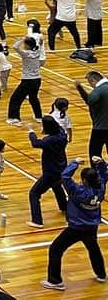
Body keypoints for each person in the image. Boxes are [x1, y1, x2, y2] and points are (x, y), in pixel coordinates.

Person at [42, 155, 107, 290]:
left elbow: (65, 176)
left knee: (55, 249)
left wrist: (74, 163)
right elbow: (104, 174)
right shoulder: (100, 188)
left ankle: (55, 281)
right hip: (92, 226)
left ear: (83, 180)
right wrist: (100, 163)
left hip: (76, 227)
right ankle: (101, 274)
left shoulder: (77, 191)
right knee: (93, 249)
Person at [28, 114, 69, 228]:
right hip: (62, 168)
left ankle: (37, 220)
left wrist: (31, 132)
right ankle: (64, 208)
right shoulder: (62, 134)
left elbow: (36, 143)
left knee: (34, 193)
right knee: (57, 187)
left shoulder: (49, 140)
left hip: (50, 171)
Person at [76, 70, 108, 160]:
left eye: (90, 83)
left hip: (100, 128)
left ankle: (95, 172)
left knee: (94, 153)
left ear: (93, 81)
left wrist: (80, 88)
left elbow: (90, 101)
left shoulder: (99, 89)